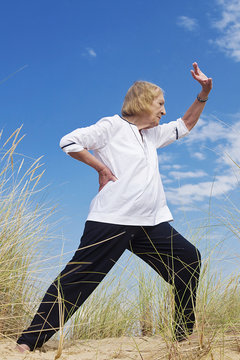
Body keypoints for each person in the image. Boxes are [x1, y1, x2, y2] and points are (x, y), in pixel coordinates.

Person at [16, 62, 212, 352]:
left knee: (188, 259)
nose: (164, 111)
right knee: (79, 278)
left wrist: (204, 93)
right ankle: (28, 342)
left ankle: (182, 333)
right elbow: (69, 141)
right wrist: (100, 167)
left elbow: (185, 124)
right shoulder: (112, 126)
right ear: (143, 102)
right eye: (160, 104)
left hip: (150, 223)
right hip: (112, 219)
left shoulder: (152, 135)